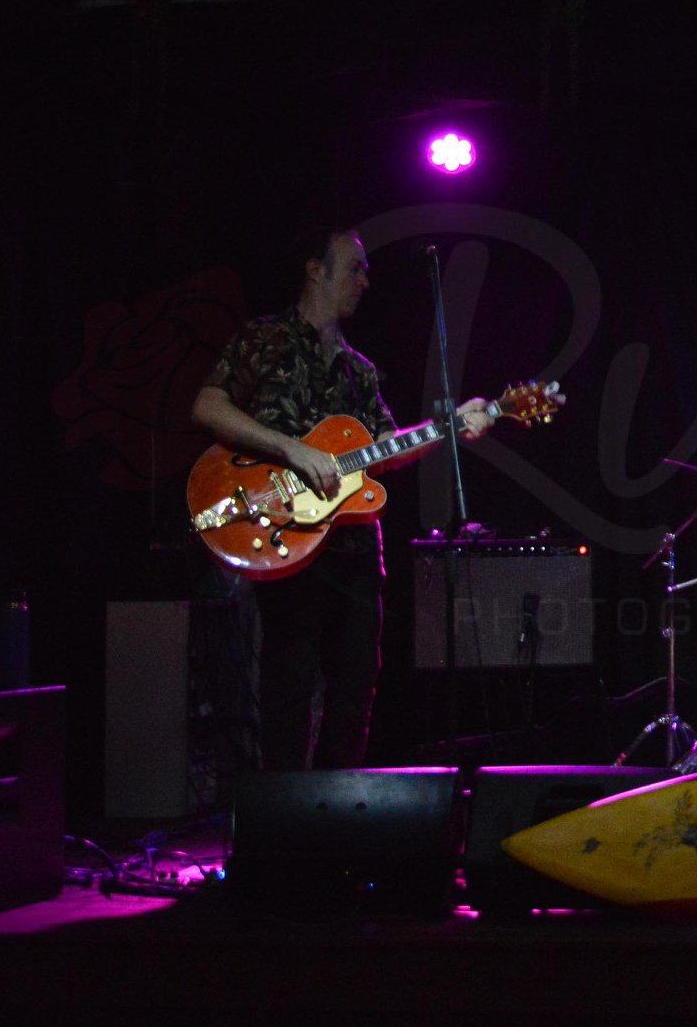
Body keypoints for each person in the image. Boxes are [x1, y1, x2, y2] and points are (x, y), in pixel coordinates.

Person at [191, 227, 496, 771]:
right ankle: (285, 813)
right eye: (354, 268)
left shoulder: (360, 370)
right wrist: (291, 449)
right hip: (283, 538)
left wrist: (448, 425)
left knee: (356, 689)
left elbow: (386, 450)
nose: (365, 281)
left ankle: (339, 813)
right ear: (316, 270)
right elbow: (208, 408)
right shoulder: (262, 339)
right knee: (288, 685)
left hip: (354, 550)